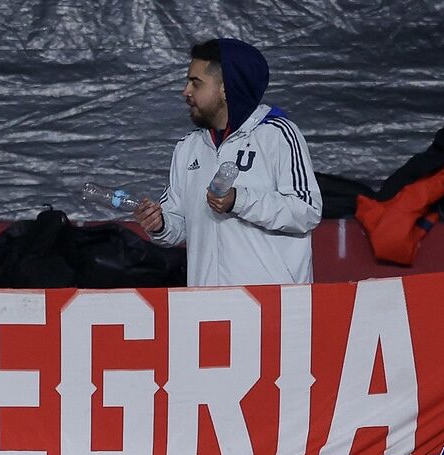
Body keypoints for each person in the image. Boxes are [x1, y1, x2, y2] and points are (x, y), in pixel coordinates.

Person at [136, 38, 320, 287]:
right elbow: (179, 224)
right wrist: (160, 224)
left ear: (225, 89)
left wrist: (239, 200)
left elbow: (306, 211)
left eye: (195, 83)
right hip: (209, 306)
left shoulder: (277, 134)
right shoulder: (188, 147)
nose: (186, 91)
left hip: (272, 306)